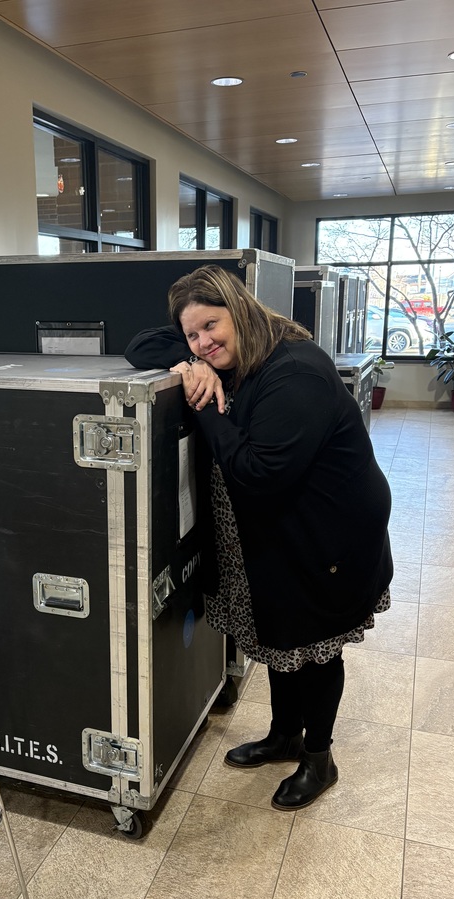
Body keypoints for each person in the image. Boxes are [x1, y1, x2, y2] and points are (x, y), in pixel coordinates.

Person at [125, 264, 392, 810]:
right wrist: (194, 361)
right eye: (192, 333)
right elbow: (141, 345)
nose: (203, 340)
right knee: (279, 636)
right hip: (278, 530)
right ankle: (284, 735)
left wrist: (203, 401)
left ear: (240, 311)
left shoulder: (294, 372)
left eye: (211, 325)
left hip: (328, 536)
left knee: (314, 648)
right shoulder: (239, 353)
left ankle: (319, 759)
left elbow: (258, 474)